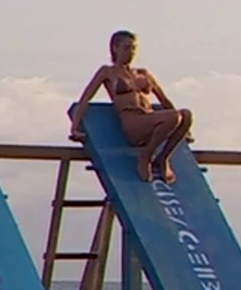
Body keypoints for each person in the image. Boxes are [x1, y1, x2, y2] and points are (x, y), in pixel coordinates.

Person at [67, 29, 194, 183]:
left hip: (150, 119)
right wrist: (74, 128)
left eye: (134, 48)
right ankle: (146, 157)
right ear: (115, 48)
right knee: (174, 117)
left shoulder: (143, 73)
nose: (131, 52)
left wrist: (185, 130)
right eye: (127, 48)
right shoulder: (108, 72)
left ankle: (163, 158)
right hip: (133, 123)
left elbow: (164, 101)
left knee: (185, 115)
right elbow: (85, 98)